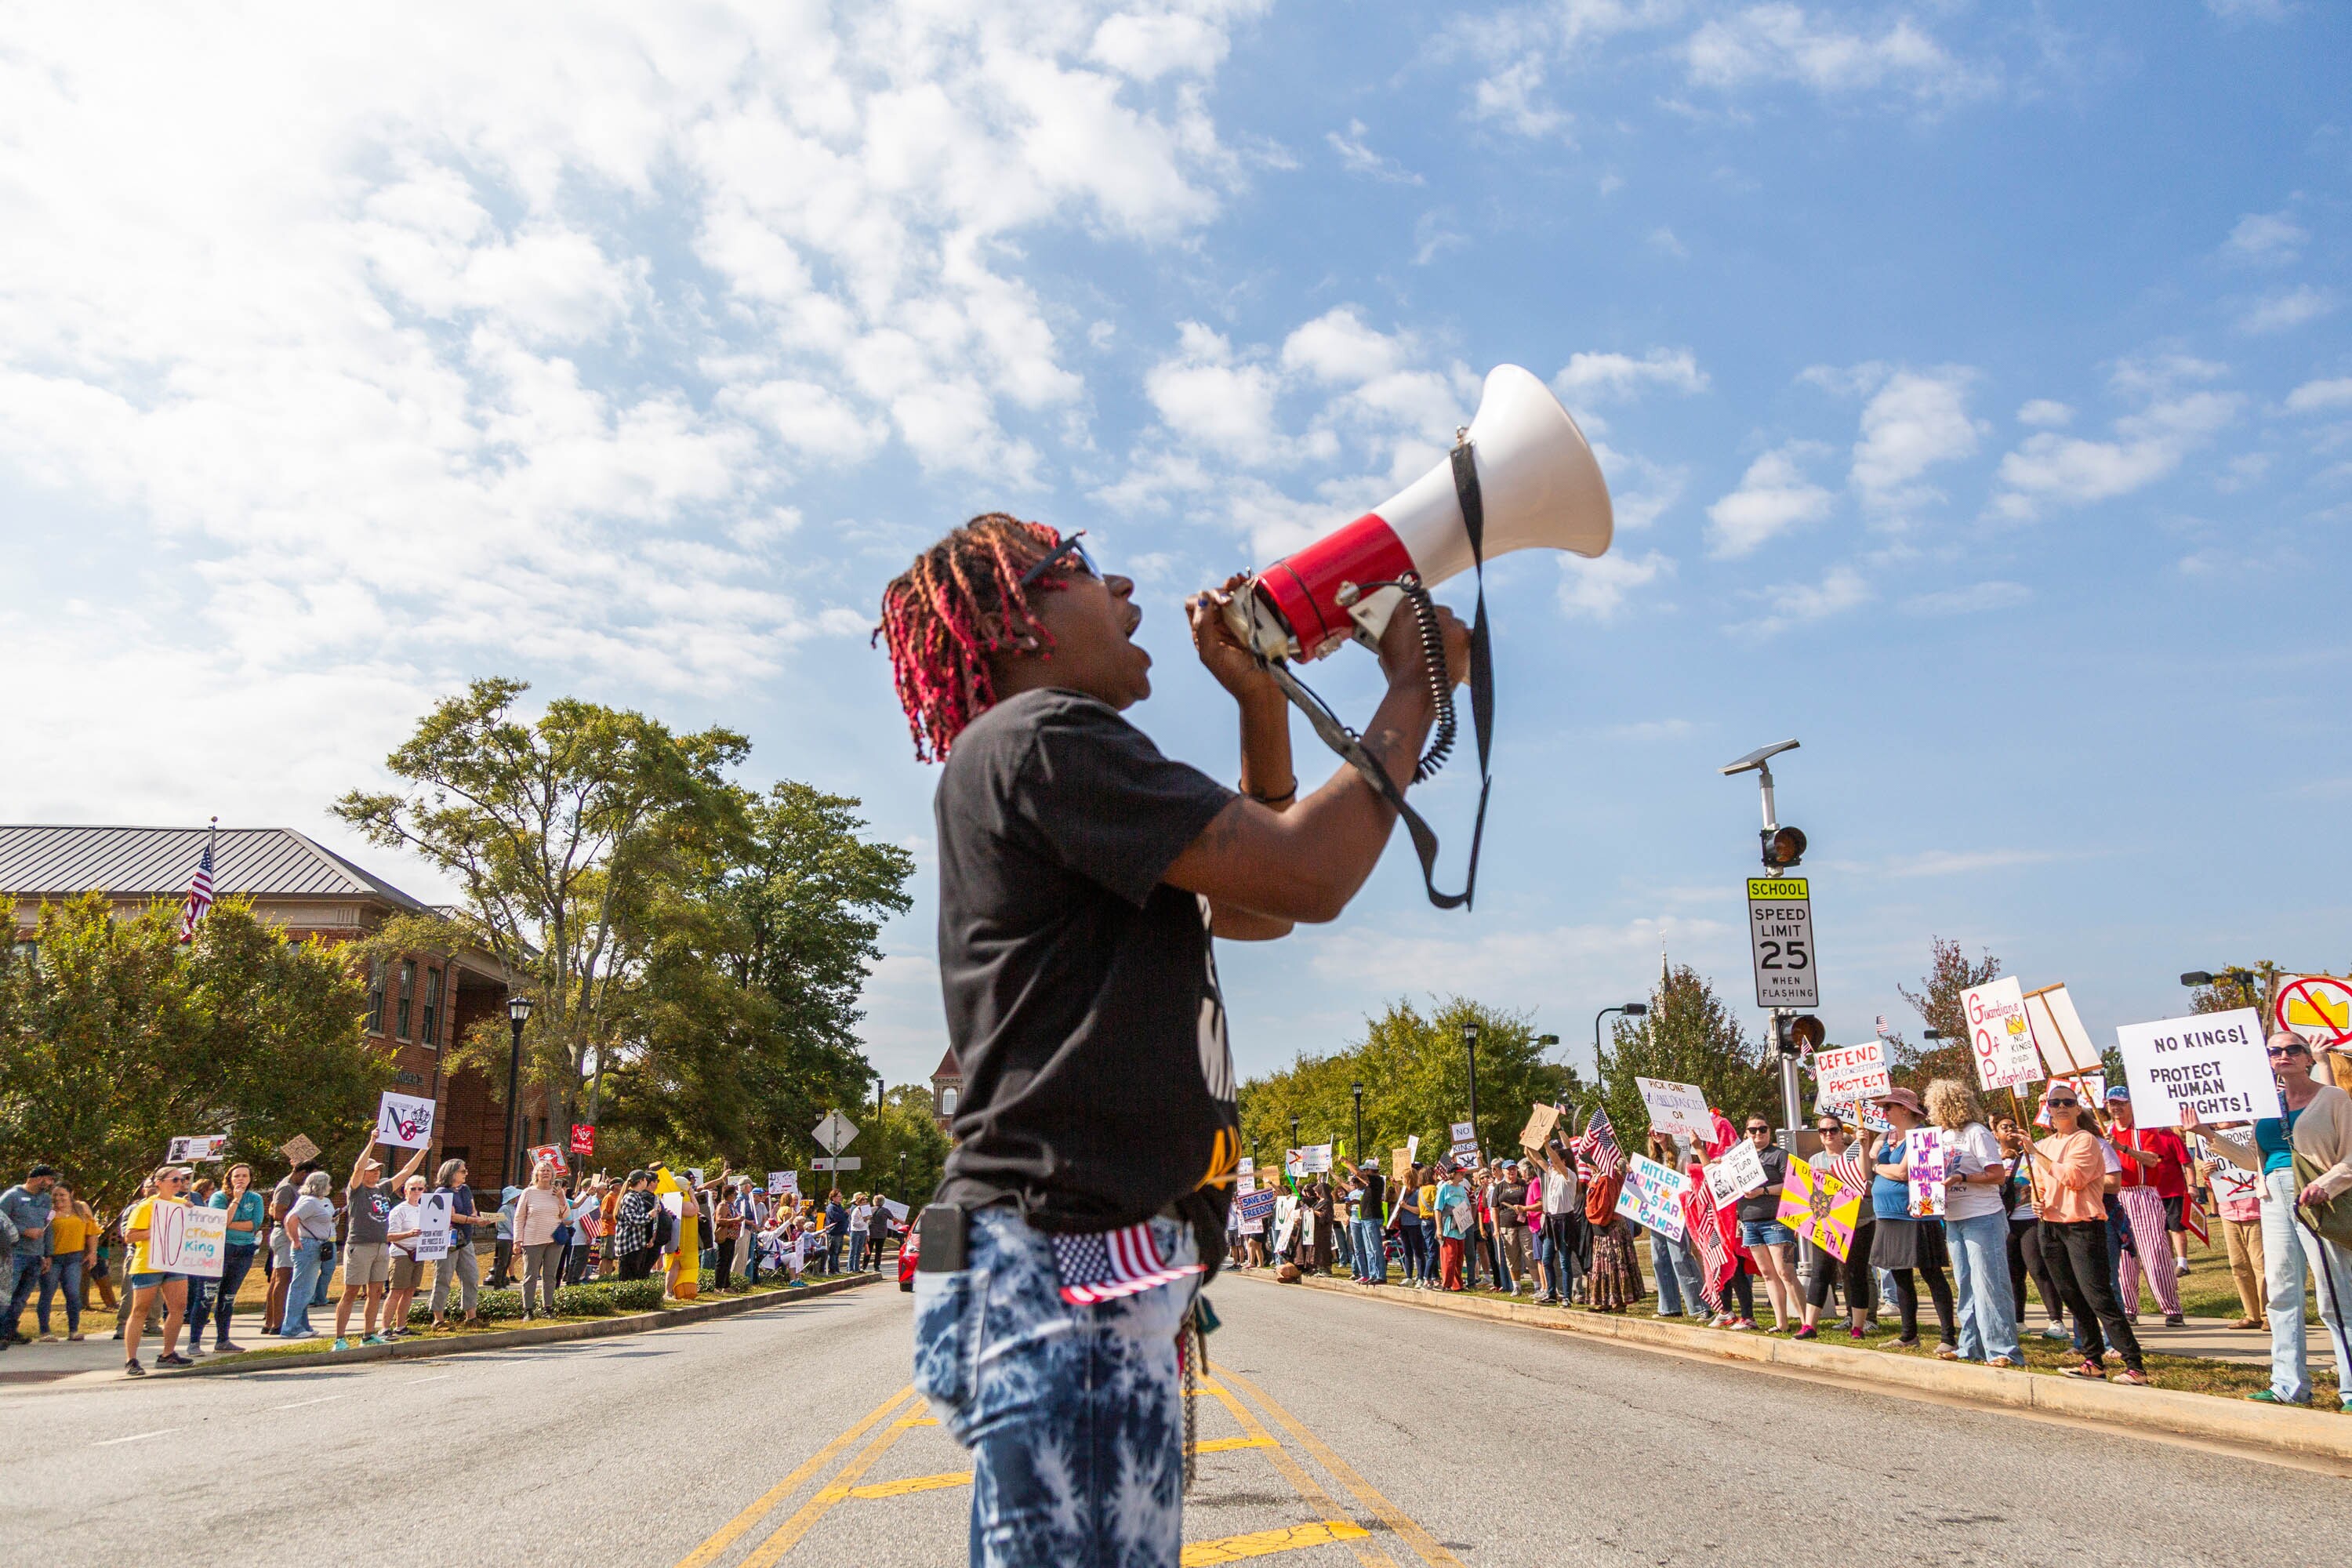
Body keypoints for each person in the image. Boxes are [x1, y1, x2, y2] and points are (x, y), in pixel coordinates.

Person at [887, 517, 1468, 1568]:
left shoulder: (1051, 760)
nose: (1125, 585)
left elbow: (1260, 910)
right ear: (1022, 623)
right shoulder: (1047, 738)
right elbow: (1309, 873)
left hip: (1068, 1259)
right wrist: (1416, 687)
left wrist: (1260, 704)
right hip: (1064, 1260)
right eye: (1080, 570)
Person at [2189, 1033, 2352, 1409]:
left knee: (2334, 1294)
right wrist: (2207, 1134)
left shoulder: (2333, 1098)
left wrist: (2326, 1185)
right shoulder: (2266, 1104)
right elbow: (2252, 1161)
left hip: (2319, 1197)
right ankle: (2287, 1385)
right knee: (2280, 1289)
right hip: (2272, 1196)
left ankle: (2350, 1388)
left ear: (2309, 1057)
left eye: (2293, 1049)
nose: (2284, 1055)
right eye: (2275, 1050)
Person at [2005, 1084, 2147, 1384]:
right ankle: (2093, 1360)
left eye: (2068, 1102)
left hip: (2083, 1224)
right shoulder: (2045, 1143)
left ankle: (2134, 1364)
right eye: (2055, 1103)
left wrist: (2035, 1153)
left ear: (2077, 1108)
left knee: (2098, 1296)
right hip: (2051, 1227)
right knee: (2071, 1295)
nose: (2061, 1107)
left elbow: (2074, 1178)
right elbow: (2041, 1182)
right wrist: (2037, 1199)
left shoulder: (2086, 1141)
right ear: (2048, 1109)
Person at [1926, 1079, 2020, 1367]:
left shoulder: (1977, 1133)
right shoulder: (1941, 1137)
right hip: (1953, 1217)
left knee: (1989, 1284)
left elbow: (1997, 1175)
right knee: (1965, 1284)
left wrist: (1963, 1178)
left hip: (1983, 1216)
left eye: (1933, 1105)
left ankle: (2003, 1350)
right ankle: (1971, 1346)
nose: (1931, 1110)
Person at [1867, 1088, 1957, 1356]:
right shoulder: (1885, 1137)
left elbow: (1903, 1172)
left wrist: (1877, 1168)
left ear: (1904, 1109)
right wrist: (1865, 1147)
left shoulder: (1924, 1136)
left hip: (1917, 1213)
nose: (1884, 1113)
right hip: (1887, 1214)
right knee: (1899, 1274)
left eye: (1888, 1108)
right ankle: (1909, 1334)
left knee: (1931, 1274)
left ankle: (1948, 1336)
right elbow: (1866, 1168)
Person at [2104, 1087, 2189, 1327]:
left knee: (2154, 1251)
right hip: (2117, 1194)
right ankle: (2129, 1308)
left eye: (2121, 1103)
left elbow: (2153, 1159)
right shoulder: (2106, 1131)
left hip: (2144, 1193)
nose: (2116, 1108)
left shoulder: (2144, 1131)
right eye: (2112, 1104)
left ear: (2131, 1105)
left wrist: (2122, 1149)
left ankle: (2171, 1308)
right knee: (2123, 1255)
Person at [334, 1140, 430, 1350]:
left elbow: (405, 1172)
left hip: (381, 1245)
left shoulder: (382, 1189)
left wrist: (424, 1150)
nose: (376, 1173)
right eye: (372, 1170)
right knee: (351, 1292)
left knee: (376, 1291)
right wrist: (371, 1141)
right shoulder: (356, 1191)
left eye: (378, 1169)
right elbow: (358, 1168)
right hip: (360, 1245)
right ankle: (340, 1338)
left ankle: (368, 1335)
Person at [1994, 1114, 2070, 1344]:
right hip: (2006, 1221)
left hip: (2030, 1220)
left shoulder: (2031, 1155)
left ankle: (2056, 1321)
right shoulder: (1993, 1157)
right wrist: (1999, 1160)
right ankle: (2018, 1321)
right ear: (1996, 1134)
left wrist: (2030, 1150)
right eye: (2004, 1127)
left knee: (2039, 1270)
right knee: (2013, 1274)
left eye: (2013, 1126)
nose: (2009, 1130)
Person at [1797, 1116, 1875, 1341]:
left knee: (1855, 1273)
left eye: (1833, 1130)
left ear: (1842, 1132)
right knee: (1821, 1272)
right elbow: (1808, 1194)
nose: (1828, 1134)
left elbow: (1866, 1180)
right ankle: (1809, 1326)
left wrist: (1864, 1145)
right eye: (1823, 1131)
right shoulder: (1814, 1160)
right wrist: (1802, 1221)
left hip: (1859, 1221)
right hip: (1825, 1223)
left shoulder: (1855, 1154)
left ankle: (1858, 1327)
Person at [120, 1164, 198, 1375]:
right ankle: (132, 1359)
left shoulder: (182, 1204)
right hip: (148, 1263)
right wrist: (158, 1229)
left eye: (182, 1180)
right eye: (174, 1180)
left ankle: (168, 1354)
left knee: (178, 1307)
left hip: (174, 1261)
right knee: (140, 1310)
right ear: (159, 1183)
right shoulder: (145, 1207)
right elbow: (130, 1236)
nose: (179, 1184)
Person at [1732, 1118, 1799, 1333]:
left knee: (1785, 1272)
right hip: (1750, 1222)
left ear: (1770, 1131)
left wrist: (1764, 1191)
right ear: (1746, 1133)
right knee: (1768, 1274)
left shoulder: (1779, 1155)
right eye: (1753, 1129)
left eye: (1763, 1129)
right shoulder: (1738, 1158)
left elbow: (1792, 1185)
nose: (1758, 1133)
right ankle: (1781, 1323)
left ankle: (1807, 1323)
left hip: (1776, 1221)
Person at [2194, 1134, 2267, 1331]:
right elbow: (2213, 1184)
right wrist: (2208, 1175)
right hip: (2229, 1211)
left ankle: (2268, 1314)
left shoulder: (2251, 1136)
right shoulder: (2210, 1142)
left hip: (2255, 1210)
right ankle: (2252, 1314)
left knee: (2261, 1265)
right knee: (2238, 1265)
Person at [205, 1163, 266, 1352]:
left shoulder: (255, 1198)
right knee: (207, 1296)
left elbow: (254, 1224)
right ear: (229, 1178)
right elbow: (219, 1222)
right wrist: (236, 1201)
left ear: (250, 1179)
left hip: (244, 1250)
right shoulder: (219, 1197)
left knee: (228, 1297)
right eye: (237, 1176)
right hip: (221, 1249)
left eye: (245, 1176)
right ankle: (194, 1342)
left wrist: (230, 1223)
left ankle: (223, 1340)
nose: (240, 1179)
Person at [0, 1163, 56, 1345]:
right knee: (5, 1294)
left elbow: (48, 1226)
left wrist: (48, 1254)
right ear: (37, 1178)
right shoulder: (12, 1197)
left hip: (36, 1255)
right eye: (48, 1179)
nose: (51, 1183)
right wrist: (24, 1231)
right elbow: (1, 1222)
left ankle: (10, 1331)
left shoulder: (46, 1200)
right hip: (14, 1255)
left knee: (22, 1297)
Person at [278, 1170, 337, 1338]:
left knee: (307, 1288)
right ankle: (291, 1328)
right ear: (321, 1186)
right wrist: (295, 1240)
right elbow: (291, 1218)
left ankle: (303, 1325)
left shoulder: (312, 1201)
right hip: (309, 1245)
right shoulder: (310, 1202)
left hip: (315, 1245)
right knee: (302, 1287)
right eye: (328, 1184)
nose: (330, 1187)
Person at [429, 1159, 487, 1328]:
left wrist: (478, 1218)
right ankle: (438, 1319)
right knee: (443, 1278)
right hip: (448, 1241)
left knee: (471, 1276)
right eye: (463, 1171)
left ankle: (471, 1317)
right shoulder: (442, 1192)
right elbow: (450, 1216)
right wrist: (473, 1220)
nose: (466, 1173)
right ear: (451, 1173)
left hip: (466, 1239)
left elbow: (472, 1208)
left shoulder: (466, 1190)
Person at [36, 1180, 95, 1342]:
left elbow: (92, 1232)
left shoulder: (81, 1208)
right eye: (55, 1195)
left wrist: (93, 1252)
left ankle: (74, 1330)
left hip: (74, 1257)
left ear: (71, 1194)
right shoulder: (50, 1212)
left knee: (73, 1293)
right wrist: (44, 1256)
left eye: (62, 1195)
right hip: (53, 1258)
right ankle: (45, 1331)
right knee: (48, 1293)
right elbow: (42, 1232)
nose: (58, 1198)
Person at [511, 1159, 568, 1319]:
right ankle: (528, 1310)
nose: (545, 1173)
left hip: (554, 1241)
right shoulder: (528, 1193)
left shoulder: (557, 1192)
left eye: (548, 1171)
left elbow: (566, 1216)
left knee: (550, 1275)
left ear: (553, 1175)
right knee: (530, 1275)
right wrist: (517, 1240)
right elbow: (519, 1218)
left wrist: (562, 1199)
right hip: (532, 1240)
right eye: (542, 1170)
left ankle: (547, 1308)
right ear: (536, 1174)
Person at [383, 1174, 427, 1338]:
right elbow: (389, 1236)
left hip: (419, 1253)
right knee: (396, 1291)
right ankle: (385, 1328)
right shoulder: (399, 1210)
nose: (416, 1192)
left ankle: (401, 1326)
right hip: (401, 1253)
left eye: (420, 1189)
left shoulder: (425, 1209)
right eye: (413, 1188)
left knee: (410, 1291)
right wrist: (409, 1234)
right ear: (405, 1191)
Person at [1538, 1144, 1582, 1306]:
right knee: (1546, 1259)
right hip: (1551, 1220)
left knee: (1565, 1261)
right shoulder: (1553, 1174)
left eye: (1555, 1160)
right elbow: (1537, 1159)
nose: (1550, 1163)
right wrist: (1528, 1145)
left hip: (1565, 1220)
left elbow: (1554, 1161)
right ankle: (1551, 1294)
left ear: (1563, 1161)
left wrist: (1546, 1144)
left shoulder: (1569, 1175)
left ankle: (1567, 1297)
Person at [612, 1171, 659, 1280]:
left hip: (637, 1243)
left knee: (634, 1276)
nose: (647, 1181)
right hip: (629, 1245)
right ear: (640, 1181)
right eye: (645, 1179)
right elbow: (632, 1218)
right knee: (627, 1278)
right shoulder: (630, 1197)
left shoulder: (637, 1196)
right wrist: (649, 1215)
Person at [1434, 1165, 1472, 1291]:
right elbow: (1438, 1209)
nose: (1463, 1175)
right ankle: (1446, 1284)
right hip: (1448, 1227)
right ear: (1453, 1174)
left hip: (1460, 1226)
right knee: (1449, 1256)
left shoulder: (1462, 1188)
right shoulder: (1444, 1187)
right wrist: (1439, 1228)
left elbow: (1467, 1204)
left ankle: (1457, 1284)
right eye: (1460, 1173)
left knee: (1459, 1257)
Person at [491, 1183, 521, 1289]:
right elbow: (508, 1225)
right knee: (502, 1262)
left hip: (510, 1238)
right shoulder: (504, 1209)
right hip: (504, 1238)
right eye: (515, 1196)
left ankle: (503, 1282)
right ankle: (498, 1285)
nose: (517, 1198)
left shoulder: (512, 1208)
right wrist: (517, 1235)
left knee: (507, 1261)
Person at [822, 1190, 848, 1276]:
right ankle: (833, 1269)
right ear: (833, 1198)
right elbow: (837, 1218)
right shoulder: (831, 1208)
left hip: (841, 1232)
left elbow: (843, 1217)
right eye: (838, 1196)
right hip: (834, 1232)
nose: (840, 1198)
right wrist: (845, 1213)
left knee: (838, 1251)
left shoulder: (839, 1206)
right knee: (834, 1251)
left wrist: (845, 1214)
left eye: (841, 1196)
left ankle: (837, 1269)